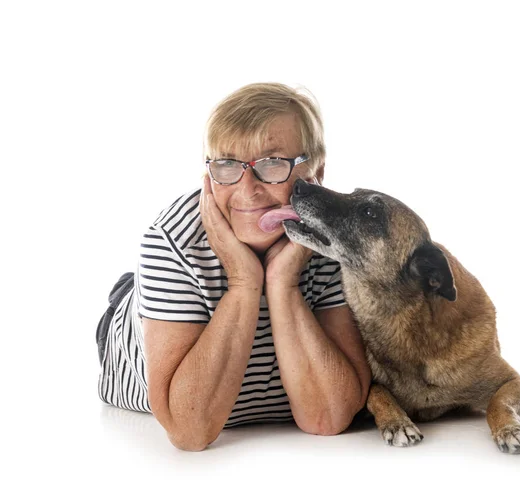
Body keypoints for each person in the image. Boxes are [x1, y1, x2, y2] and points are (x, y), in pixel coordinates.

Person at [96, 83, 371, 451]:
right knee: (140, 301)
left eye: (272, 163)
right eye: (226, 164)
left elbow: (327, 417)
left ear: (316, 171)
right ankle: (129, 294)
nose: (247, 189)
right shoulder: (169, 240)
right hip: (127, 343)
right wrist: (243, 282)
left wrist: (282, 283)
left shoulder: (331, 237)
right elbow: (190, 432)